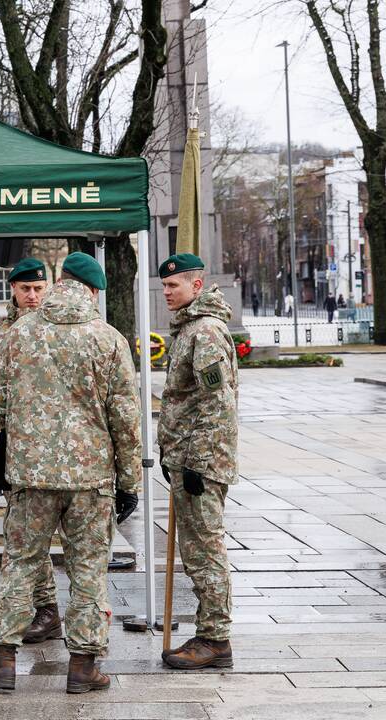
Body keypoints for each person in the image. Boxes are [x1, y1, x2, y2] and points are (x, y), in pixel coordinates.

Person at [0, 252, 141, 695]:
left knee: (20, 566)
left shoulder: (18, 335)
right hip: (90, 478)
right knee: (87, 571)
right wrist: (129, 483)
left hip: (31, 475)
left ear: (59, 282)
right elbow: (125, 418)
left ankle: (2, 661)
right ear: (94, 291)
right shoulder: (108, 339)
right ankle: (83, 666)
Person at [0, 258, 61, 644]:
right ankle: (46, 607)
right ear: (13, 290)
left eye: (39, 288)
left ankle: (51, 608)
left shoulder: (62, 330)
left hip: (58, 448)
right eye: (26, 289)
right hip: (14, 449)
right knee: (26, 535)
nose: (33, 296)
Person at [157, 252, 238, 670]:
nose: (167, 292)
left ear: (197, 286)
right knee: (196, 550)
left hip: (200, 464)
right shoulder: (189, 329)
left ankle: (215, 639)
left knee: (205, 550)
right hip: (186, 456)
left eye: (174, 285)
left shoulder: (205, 331)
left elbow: (217, 402)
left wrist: (196, 462)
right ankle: (209, 632)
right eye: (165, 286)